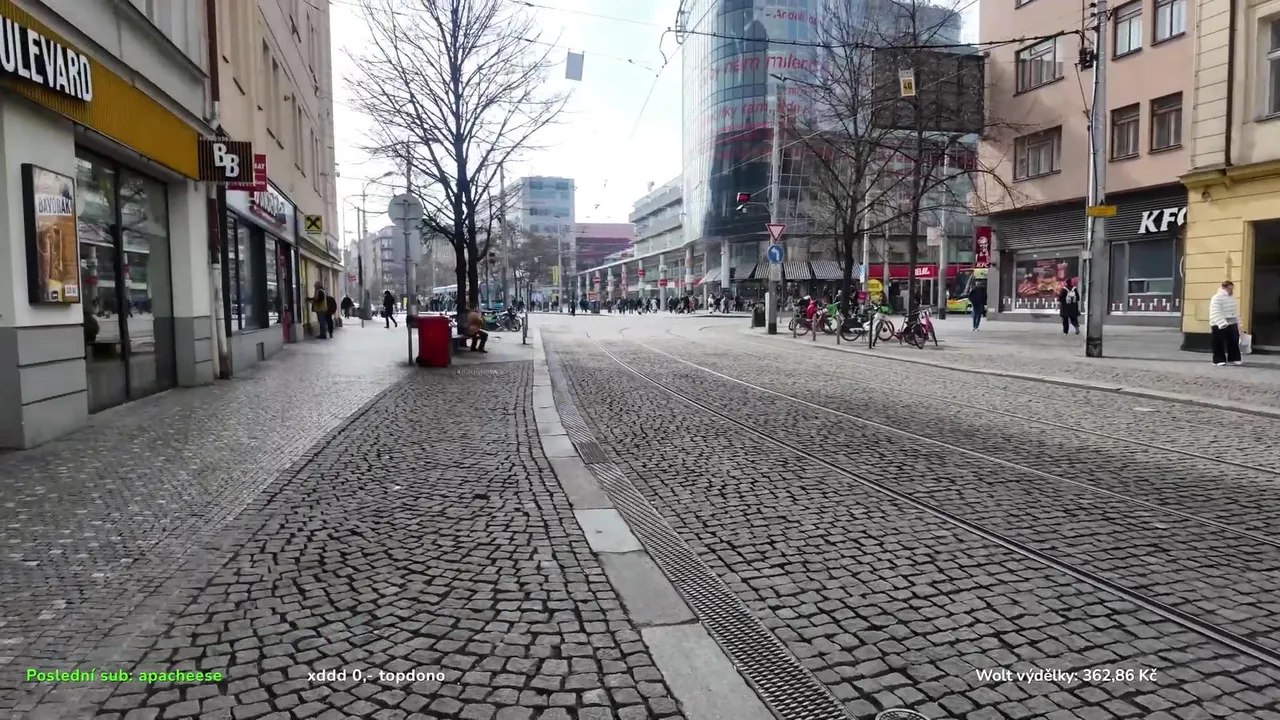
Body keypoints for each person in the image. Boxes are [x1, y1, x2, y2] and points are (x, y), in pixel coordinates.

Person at [1209, 280, 1243, 366]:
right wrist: (1222, 323)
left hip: (1232, 322)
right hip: (1218, 323)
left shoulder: (1232, 298)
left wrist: (1239, 323)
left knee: (1234, 341)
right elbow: (1215, 311)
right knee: (1218, 342)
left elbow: (1235, 311)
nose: (1231, 291)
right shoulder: (1216, 298)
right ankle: (1218, 360)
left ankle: (1234, 358)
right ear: (1224, 288)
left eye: (1232, 289)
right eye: (1230, 289)